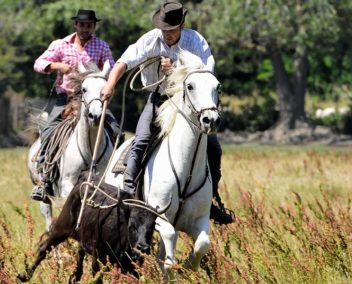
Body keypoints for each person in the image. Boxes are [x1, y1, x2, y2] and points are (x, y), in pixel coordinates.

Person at [102, 2, 234, 225]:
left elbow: (206, 70)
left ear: (181, 26)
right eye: (164, 29)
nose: (167, 34)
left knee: (213, 147)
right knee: (142, 138)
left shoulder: (195, 40)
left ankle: (211, 197)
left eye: (171, 30)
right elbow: (124, 61)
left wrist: (175, 70)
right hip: (158, 99)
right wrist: (110, 85)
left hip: (188, 103)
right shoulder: (150, 39)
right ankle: (129, 187)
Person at [30, 9, 122, 201]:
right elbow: (38, 63)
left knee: (116, 130)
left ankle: (120, 173)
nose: (85, 29)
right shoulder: (60, 45)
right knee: (48, 131)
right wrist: (57, 66)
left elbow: (112, 68)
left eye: (89, 25)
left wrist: (107, 83)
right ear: (75, 25)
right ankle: (44, 177)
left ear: (93, 27)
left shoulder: (101, 46)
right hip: (64, 98)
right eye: (81, 25)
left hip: (93, 99)